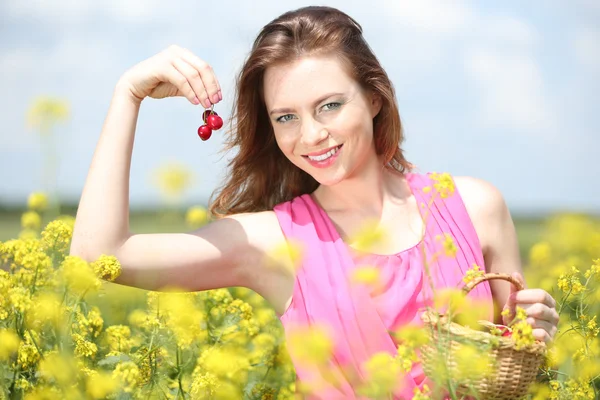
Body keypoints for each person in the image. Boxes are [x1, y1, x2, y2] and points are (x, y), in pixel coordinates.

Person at [70, 6, 559, 399]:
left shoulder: (475, 208)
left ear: (373, 97)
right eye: (286, 117)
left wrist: (536, 336)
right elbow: (98, 256)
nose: (311, 135)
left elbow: (516, 376)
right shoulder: (277, 243)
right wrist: (127, 93)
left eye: (329, 105)